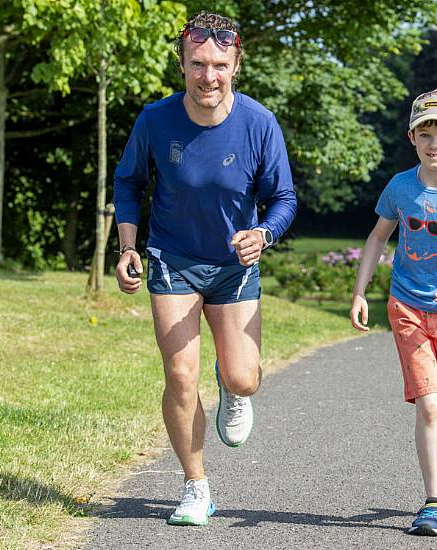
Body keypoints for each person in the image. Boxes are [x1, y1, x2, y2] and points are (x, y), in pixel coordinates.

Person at [113, 11, 296, 527]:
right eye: (197, 64)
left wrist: (263, 233)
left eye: (218, 64)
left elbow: (282, 197)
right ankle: (195, 486)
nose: (207, 76)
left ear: (236, 64)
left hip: (235, 266)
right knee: (179, 375)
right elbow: (128, 183)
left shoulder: (259, 123)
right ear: (182, 65)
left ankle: (232, 389)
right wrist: (129, 247)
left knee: (244, 378)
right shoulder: (155, 119)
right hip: (172, 259)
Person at [350, 89, 437, 536]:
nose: (435, 143)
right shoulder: (400, 187)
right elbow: (377, 238)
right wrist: (360, 292)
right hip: (408, 307)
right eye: (426, 133)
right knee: (429, 407)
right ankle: (433, 501)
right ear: (412, 137)